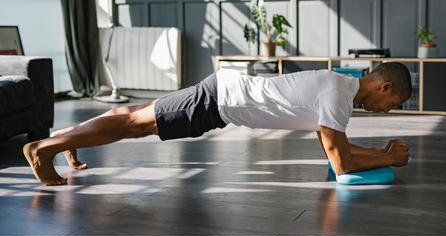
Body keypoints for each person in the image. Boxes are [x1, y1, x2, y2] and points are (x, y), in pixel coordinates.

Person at [24, 61, 411, 186]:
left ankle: (65, 138)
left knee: (134, 116)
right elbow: (340, 164)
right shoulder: (337, 97)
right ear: (385, 86)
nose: (386, 111)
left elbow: (334, 152)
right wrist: (388, 158)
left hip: (221, 94)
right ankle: (42, 149)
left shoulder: (338, 86)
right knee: (133, 124)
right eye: (392, 104)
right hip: (217, 102)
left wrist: (379, 152)